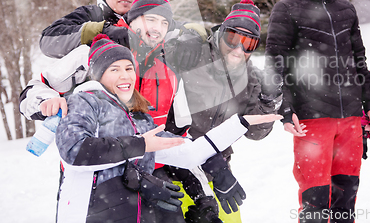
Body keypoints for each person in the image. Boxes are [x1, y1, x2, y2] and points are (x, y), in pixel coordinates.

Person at [55, 34, 282, 223]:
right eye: (114, 69)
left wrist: (239, 124)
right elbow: (74, 151)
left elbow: (186, 151)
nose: (124, 75)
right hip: (89, 212)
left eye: (128, 68)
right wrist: (140, 145)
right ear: (98, 74)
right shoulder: (85, 101)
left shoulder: (140, 117)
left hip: (130, 212)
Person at [265, 0, 370, 223]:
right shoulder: (287, 9)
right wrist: (285, 106)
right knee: (315, 204)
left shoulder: (346, 9)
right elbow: (275, 62)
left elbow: (358, 61)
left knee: (345, 201)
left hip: (351, 120)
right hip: (312, 119)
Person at [165, 0, 282, 223]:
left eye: (248, 43)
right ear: (221, 33)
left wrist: (269, 99)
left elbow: (255, 133)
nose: (239, 49)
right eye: (233, 38)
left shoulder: (252, 79)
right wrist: (184, 34)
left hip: (218, 176)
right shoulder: (192, 55)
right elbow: (155, 33)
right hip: (176, 170)